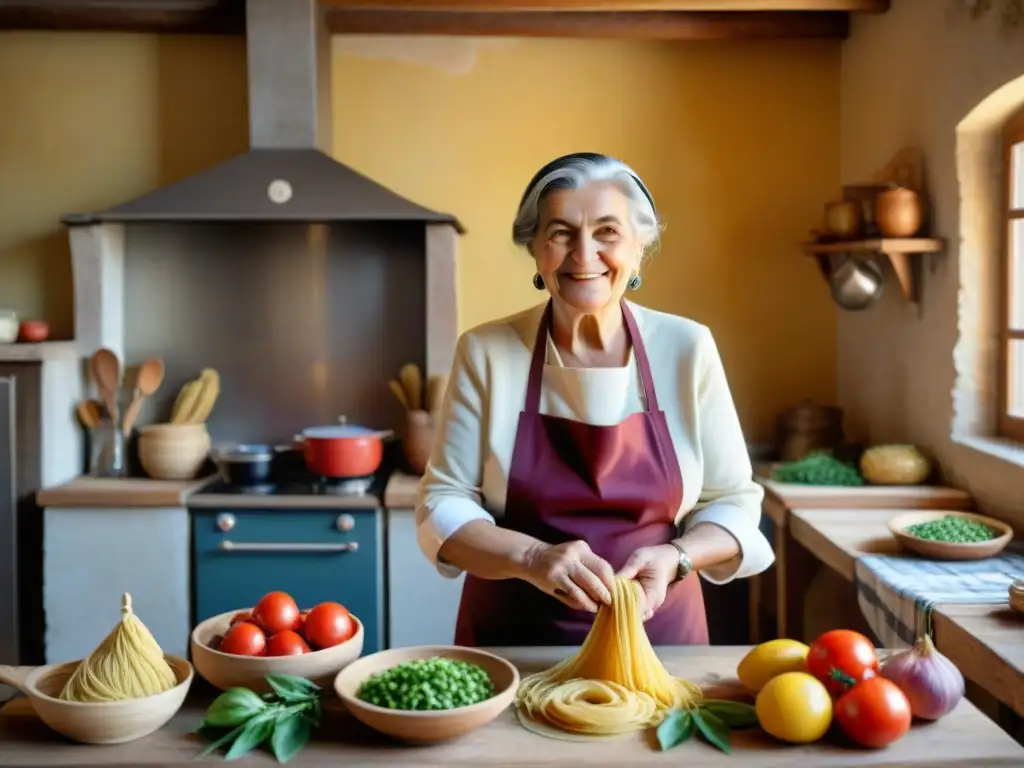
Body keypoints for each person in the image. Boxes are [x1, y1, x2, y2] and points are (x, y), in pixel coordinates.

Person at [415, 152, 775, 647]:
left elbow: (734, 500)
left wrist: (677, 557)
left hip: (658, 640)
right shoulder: (486, 352)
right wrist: (532, 558)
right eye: (561, 232)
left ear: (640, 245)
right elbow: (442, 502)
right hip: (515, 643)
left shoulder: (687, 347)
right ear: (536, 249)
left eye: (607, 231)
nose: (583, 255)